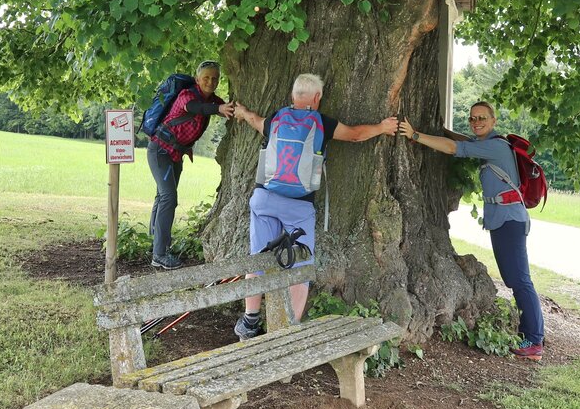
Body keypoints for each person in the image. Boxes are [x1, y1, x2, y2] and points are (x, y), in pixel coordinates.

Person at [232, 73, 397, 340]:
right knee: (301, 265)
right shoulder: (322, 122)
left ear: (293, 96)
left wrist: (242, 112)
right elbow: (355, 136)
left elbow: (255, 121)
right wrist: (383, 127)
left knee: (258, 257)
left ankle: (250, 320)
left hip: (265, 198)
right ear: (317, 97)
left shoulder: (276, 118)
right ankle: (289, 328)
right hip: (298, 205)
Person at [399, 101, 544, 361]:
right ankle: (530, 333)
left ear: (494, 120)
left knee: (520, 279)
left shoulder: (497, 146)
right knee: (514, 278)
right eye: (473, 118)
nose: (477, 122)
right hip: (503, 219)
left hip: (509, 220)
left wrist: (415, 135)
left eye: (482, 118)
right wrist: (444, 131)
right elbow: (464, 140)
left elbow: (457, 148)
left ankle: (534, 340)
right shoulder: (491, 143)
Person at [148, 60, 235, 270]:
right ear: (197, 79)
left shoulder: (214, 100)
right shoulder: (187, 95)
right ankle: (159, 254)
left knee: (163, 196)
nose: (210, 82)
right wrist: (218, 108)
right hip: (160, 150)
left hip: (175, 154)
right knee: (168, 197)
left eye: (215, 78)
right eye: (206, 77)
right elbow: (196, 108)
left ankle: (157, 245)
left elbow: (219, 108)